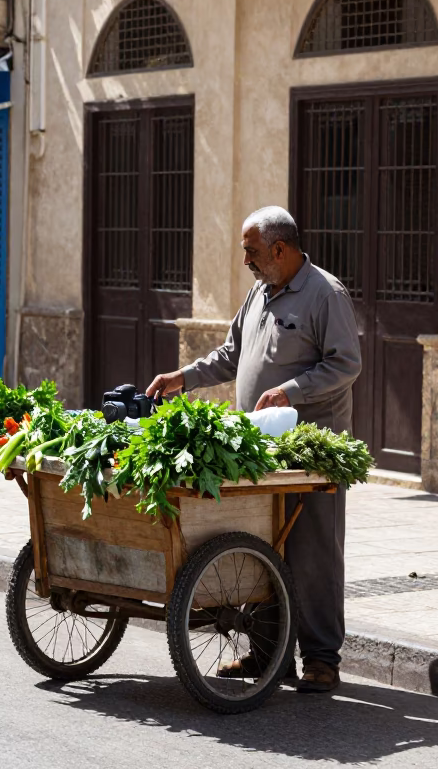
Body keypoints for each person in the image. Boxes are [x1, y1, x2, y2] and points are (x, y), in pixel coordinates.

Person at [146, 205, 362, 694]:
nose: (245, 259)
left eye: (251, 250)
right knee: (264, 546)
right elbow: (230, 355)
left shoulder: (325, 294)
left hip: (310, 452)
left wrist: (294, 390)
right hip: (261, 449)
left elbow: (346, 364)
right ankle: (269, 656)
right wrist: (185, 377)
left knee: (313, 554)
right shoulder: (260, 293)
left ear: (279, 249)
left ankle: (322, 660)